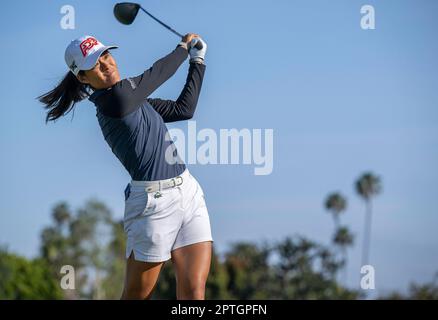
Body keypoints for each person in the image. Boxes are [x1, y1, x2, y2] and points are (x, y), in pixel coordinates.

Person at [38, 33, 213, 300]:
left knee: (194, 293)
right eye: (96, 65)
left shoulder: (133, 98)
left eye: (106, 55)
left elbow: (183, 109)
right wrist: (183, 48)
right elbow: (158, 74)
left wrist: (197, 62)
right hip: (153, 205)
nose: (106, 64)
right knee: (137, 295)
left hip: (189, 192)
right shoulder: (116, 101)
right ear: (83, 79)